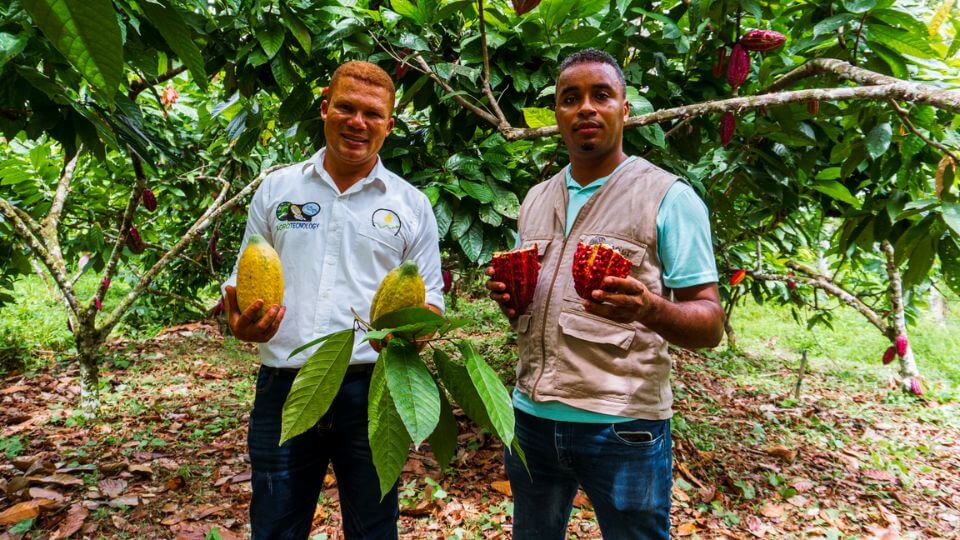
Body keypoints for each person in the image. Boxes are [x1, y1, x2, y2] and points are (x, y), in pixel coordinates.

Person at [485, 49, 725, 539]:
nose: (586, 108)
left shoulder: (668, 197)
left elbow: (711, 324)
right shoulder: (535, 199)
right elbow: (540, 310)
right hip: (530, 418)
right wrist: (511, 299)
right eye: (570, 98)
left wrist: (650, 308)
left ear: (625, 109)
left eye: (602, 95)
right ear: (557, 114)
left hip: (623, 426)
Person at [222, 61, 444, 539]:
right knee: (275, 523)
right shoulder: (277, 190)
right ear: (325, 109)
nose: (357, 122)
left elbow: (430, 302)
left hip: (371, 389)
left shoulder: (411, 205)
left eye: (372, 113)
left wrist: (411, 335)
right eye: (345, 107)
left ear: (389, 123)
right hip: (285, 385)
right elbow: (243, 282)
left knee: (373, 526)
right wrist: (239, 322)